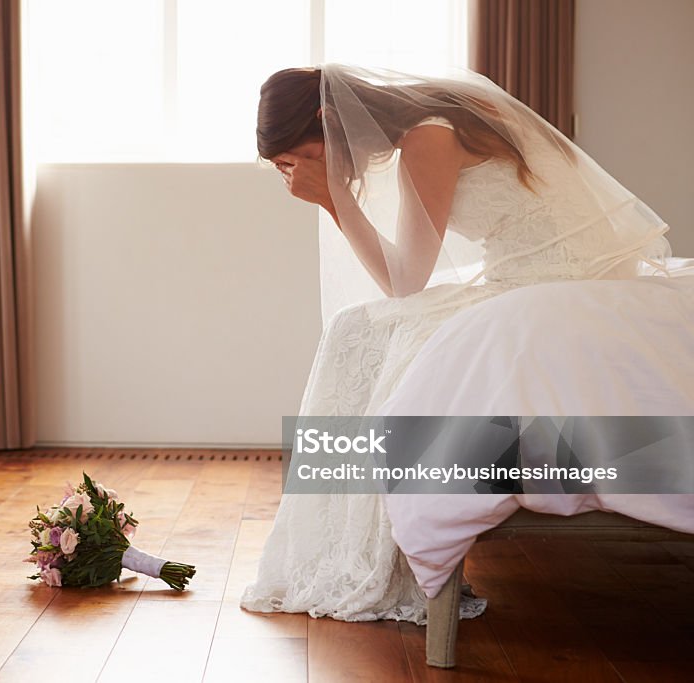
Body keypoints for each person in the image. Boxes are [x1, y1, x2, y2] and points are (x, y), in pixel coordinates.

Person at [240, 64, 682, 623]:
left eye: (295, 159)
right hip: (540, 279)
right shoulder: (443, 113)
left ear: (329, 121)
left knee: (361, 332)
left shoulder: (429, 136)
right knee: (361, 328)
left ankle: (368, 552)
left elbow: (405, 282)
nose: (294, 173)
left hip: (547, 287)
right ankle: (360, 539)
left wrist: (335, 201)